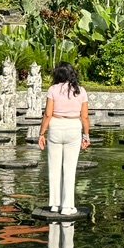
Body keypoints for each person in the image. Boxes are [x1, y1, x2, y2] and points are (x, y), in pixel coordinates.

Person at [37, 63, 91, 215]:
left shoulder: (53, 90)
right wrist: (86, 136)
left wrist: (41, 134)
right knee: (70, 168)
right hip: (74, 127)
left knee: (54, 168)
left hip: (55, 126)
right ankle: (67, 207)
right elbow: (85, 116)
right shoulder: (81, 91)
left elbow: (48, 114)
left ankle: (54, 205)